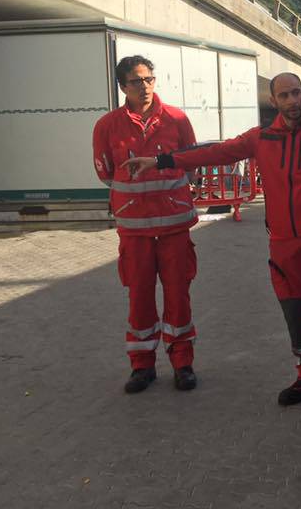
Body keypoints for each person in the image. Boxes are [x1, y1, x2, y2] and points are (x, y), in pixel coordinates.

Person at [123, 73, 301, 414]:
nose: (293, 101)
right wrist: (160, 161)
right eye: (285, 95)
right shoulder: (260, 137)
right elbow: (216, 153)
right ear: (274, 101)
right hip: (281, 239)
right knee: (294, 309)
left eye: (297, 93)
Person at [92, 56, 200, 394]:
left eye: (150, 79)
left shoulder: (177, 119)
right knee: (139, 297)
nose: (145, 86)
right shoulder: (107, 126)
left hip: (174, 227)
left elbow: (192, 160)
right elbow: (105, 171)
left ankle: (182, 363)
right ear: (123, 86)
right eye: (137, 81)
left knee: (178, 295)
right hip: (134, 230)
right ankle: (142, 367)